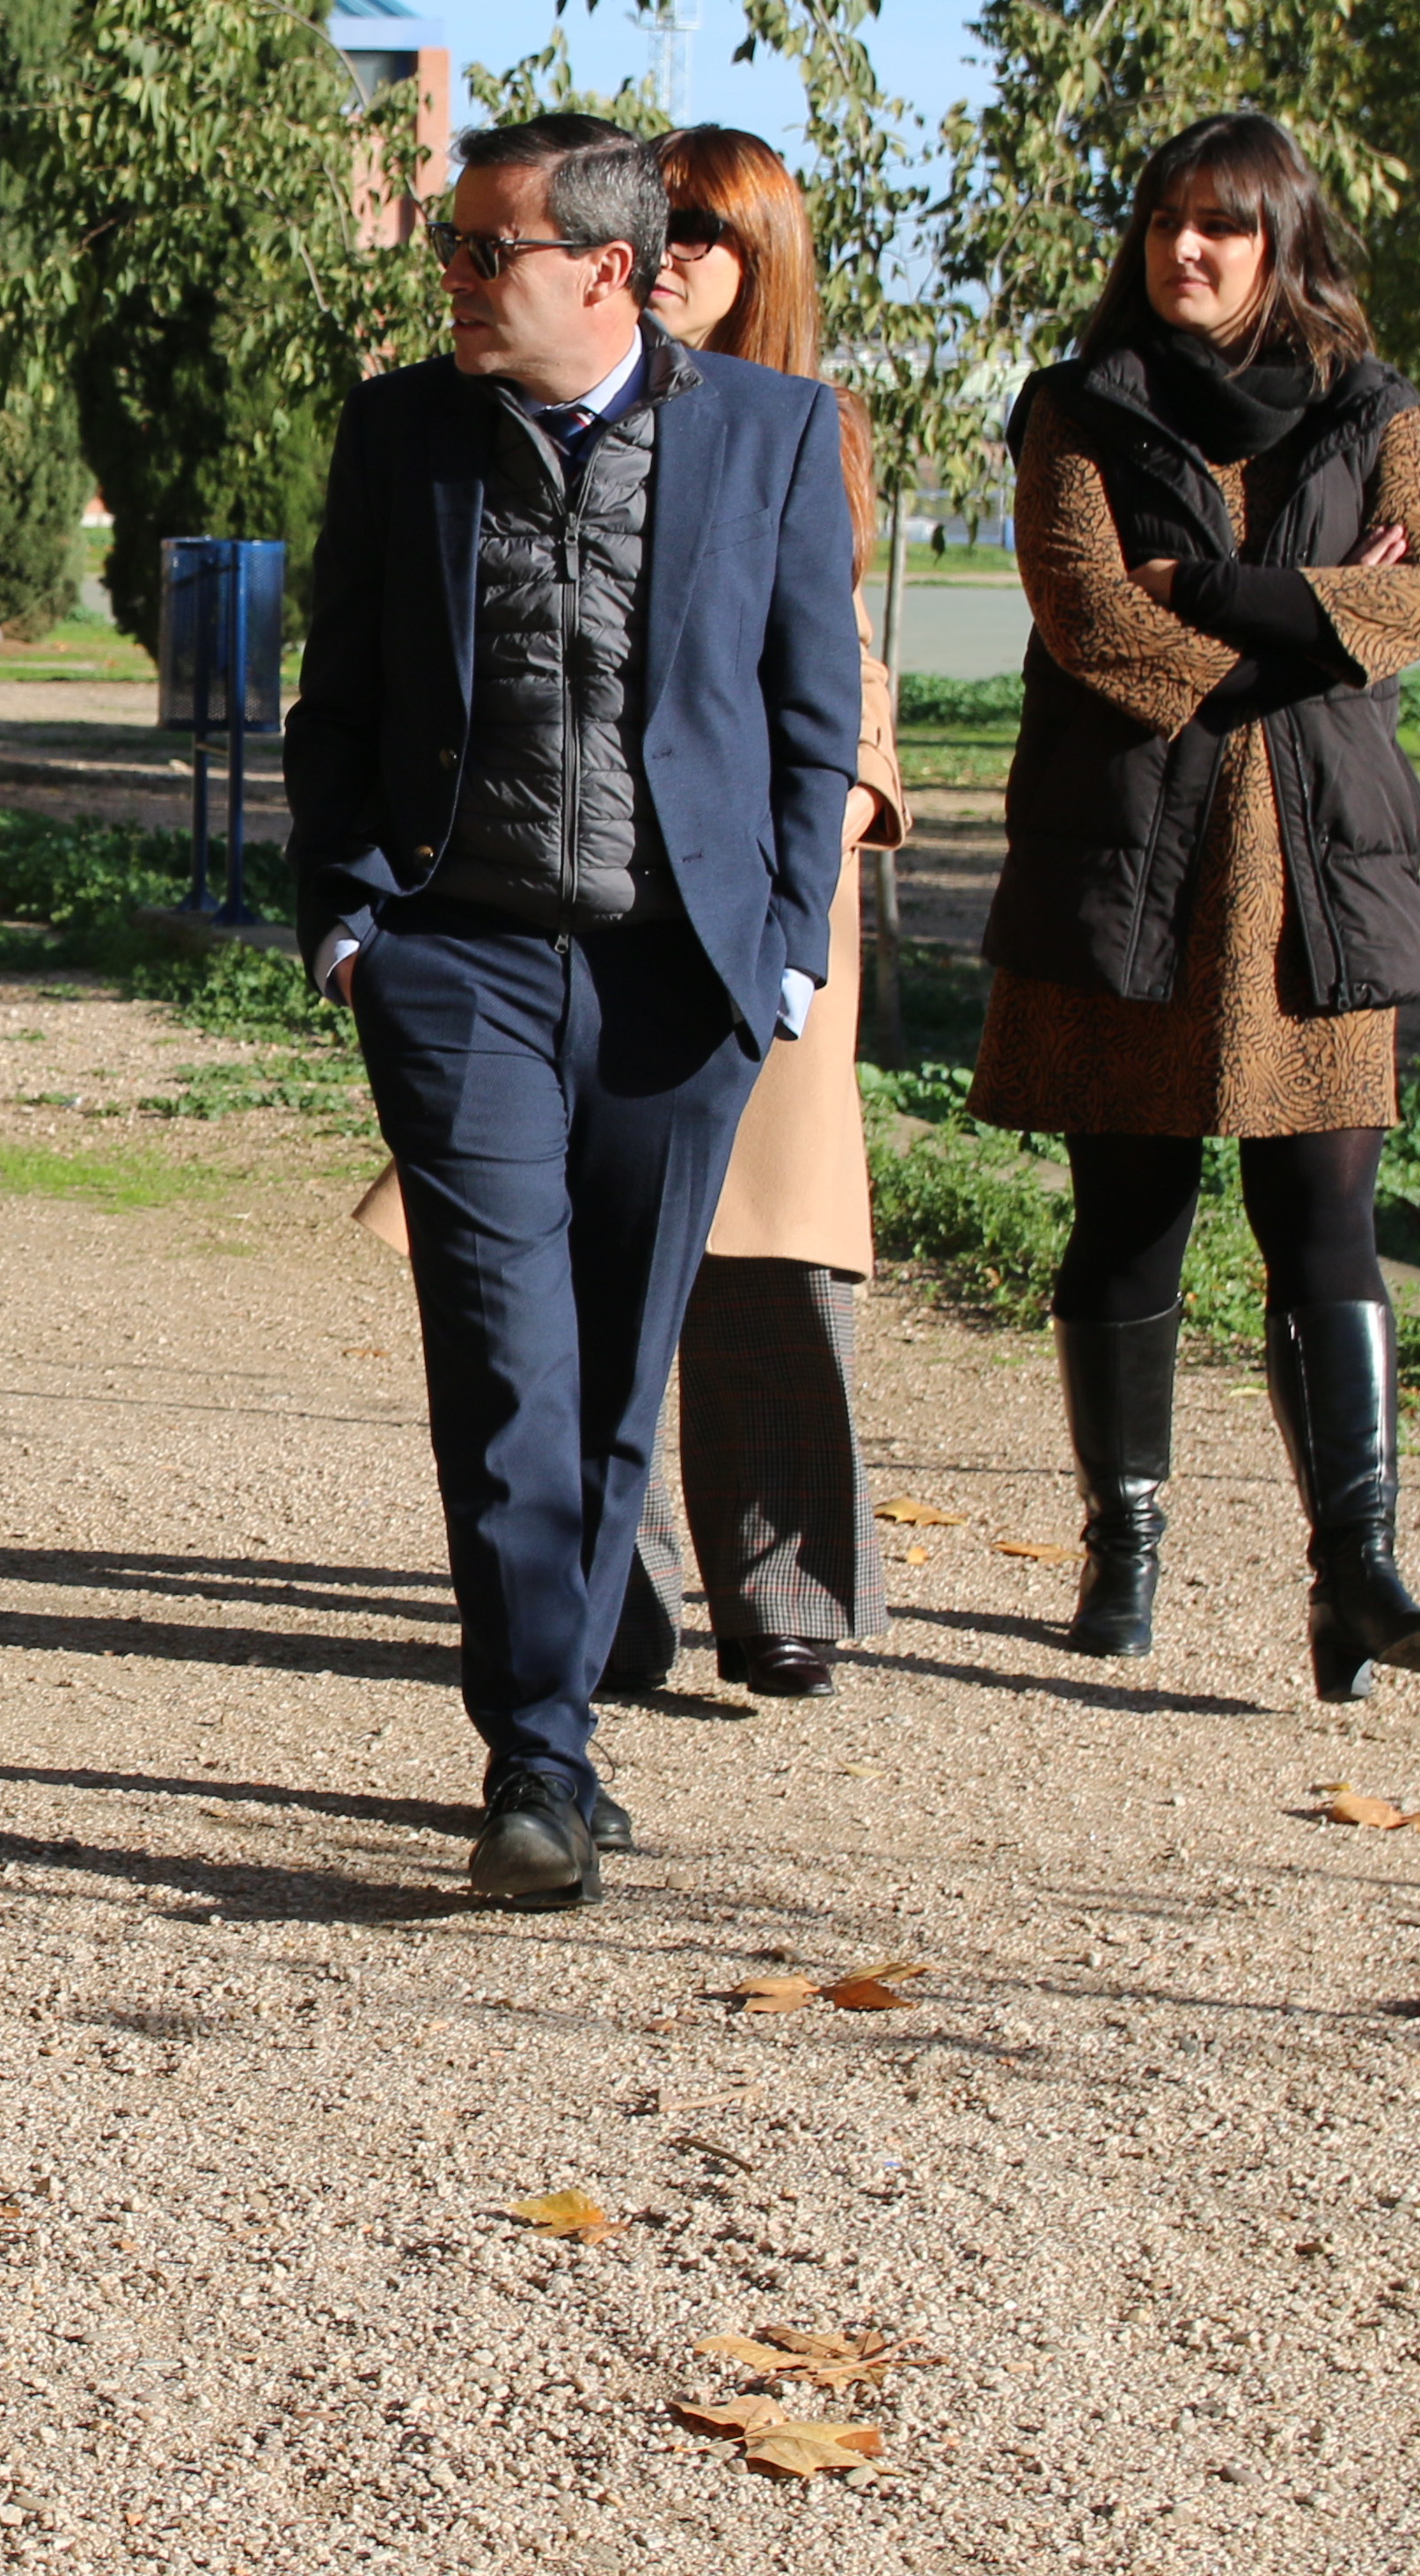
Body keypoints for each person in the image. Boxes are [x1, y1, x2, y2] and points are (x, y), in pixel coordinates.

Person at [286, 113, 860, 1907]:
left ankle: (560, 1719)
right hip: (455, 966)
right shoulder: (401, 434)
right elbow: (342, 694)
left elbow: (805, 712)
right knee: (507, 1362)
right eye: (452, 251)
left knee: (617, 1374)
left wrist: (777, 954)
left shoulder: (770, 435)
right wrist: (349, 922)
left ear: (607, 272)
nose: (453, 281)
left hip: (677, 978)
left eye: (486, 252)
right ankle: (536, 1749)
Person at [970, 111, 1420, 1704]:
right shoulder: (1077, 408)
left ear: (1281, 243)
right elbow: (1095, 620)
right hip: (1132, 869)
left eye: (1224, 227)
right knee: (1128, 1215)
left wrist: (1237, 596)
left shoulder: (1371, 404)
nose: (1187, 250)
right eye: (1167, 220)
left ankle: (1358, 1570)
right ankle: (1123, 1547)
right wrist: (1316, 627)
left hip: (1318, 882)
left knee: (1323, 1220)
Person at [609, 128, 914, 1701]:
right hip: (598, 874)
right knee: (592, 1239)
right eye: (652, 223)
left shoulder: (810, 432)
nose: (669, 255)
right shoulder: (561, 407)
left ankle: (781, 1588)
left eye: (707, 235)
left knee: (778, 1254)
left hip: (771, 886)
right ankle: (622, 1575)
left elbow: (842, 660)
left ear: (764, 262)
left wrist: (847, 801)